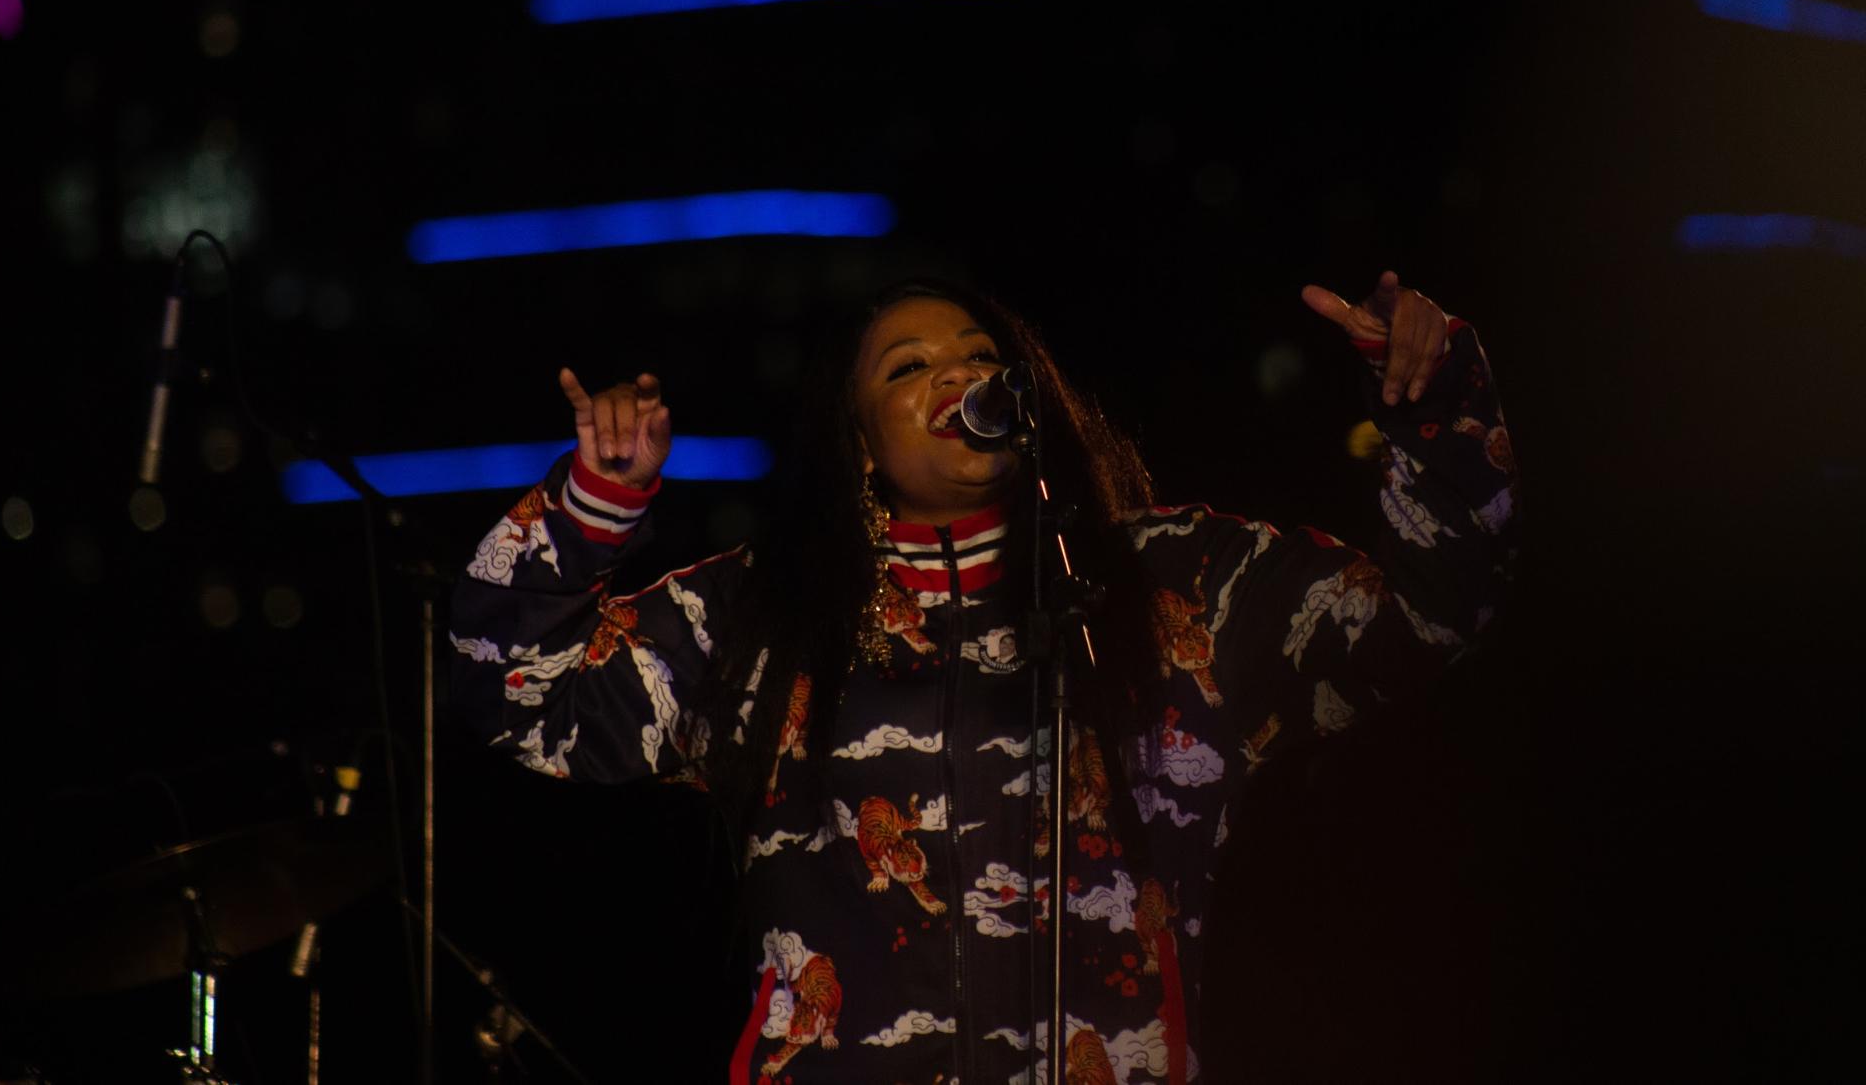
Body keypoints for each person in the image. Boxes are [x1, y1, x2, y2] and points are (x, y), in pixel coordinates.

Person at [448, 272, 1517, 1083]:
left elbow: (1432, 613)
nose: (956, 375)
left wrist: (1435, 411)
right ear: (859, 443)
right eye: (907, 369)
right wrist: (591, 509)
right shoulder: (760, 615)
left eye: (977, 355)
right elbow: (516, 696)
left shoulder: (1181, 582)